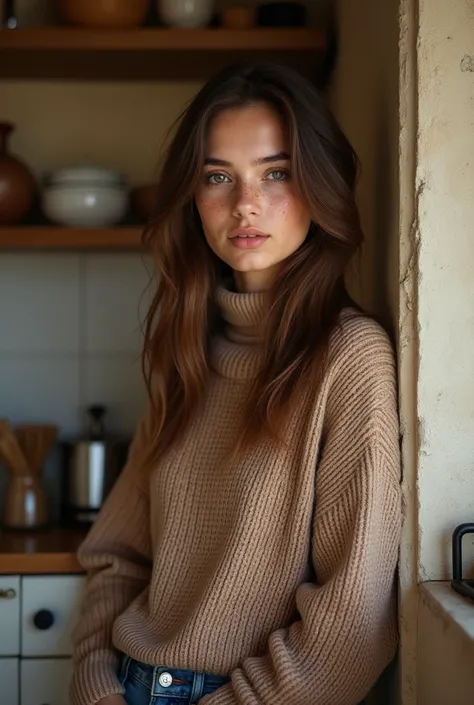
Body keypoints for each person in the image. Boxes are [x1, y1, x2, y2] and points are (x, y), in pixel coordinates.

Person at [70, 62, 401, 705]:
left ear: (320, 186)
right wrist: (95, 684)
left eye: (276, 173)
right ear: (193, 199)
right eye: (218, 177)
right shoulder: (186, 353)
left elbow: (353, 624)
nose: (245, 203)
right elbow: (116, 556)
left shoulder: (349, 359)